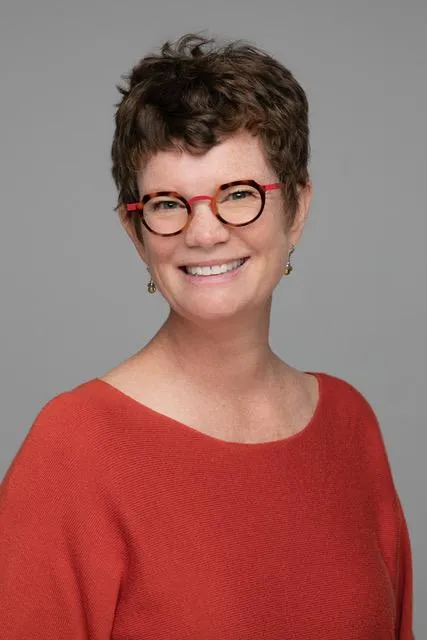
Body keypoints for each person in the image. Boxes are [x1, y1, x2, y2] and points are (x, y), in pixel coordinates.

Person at [0, 34, 414, 639]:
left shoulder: (351, 425)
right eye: (169, 204)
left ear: (297, 209)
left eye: (239, 195)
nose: (204, 233)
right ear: (136, 233)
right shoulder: (74, 449)